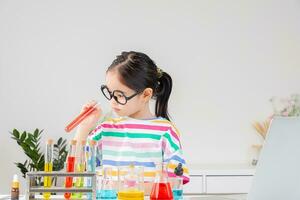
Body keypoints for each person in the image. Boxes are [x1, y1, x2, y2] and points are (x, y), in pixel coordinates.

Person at [74, 51, 189, 190]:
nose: (112, 102)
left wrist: (126, 188)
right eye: (110, 93)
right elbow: (78, 172)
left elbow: (175, 182)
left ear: (146, 94)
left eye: (120, 95)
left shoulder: (166, 132)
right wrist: (84, 128)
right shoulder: (105, 130)